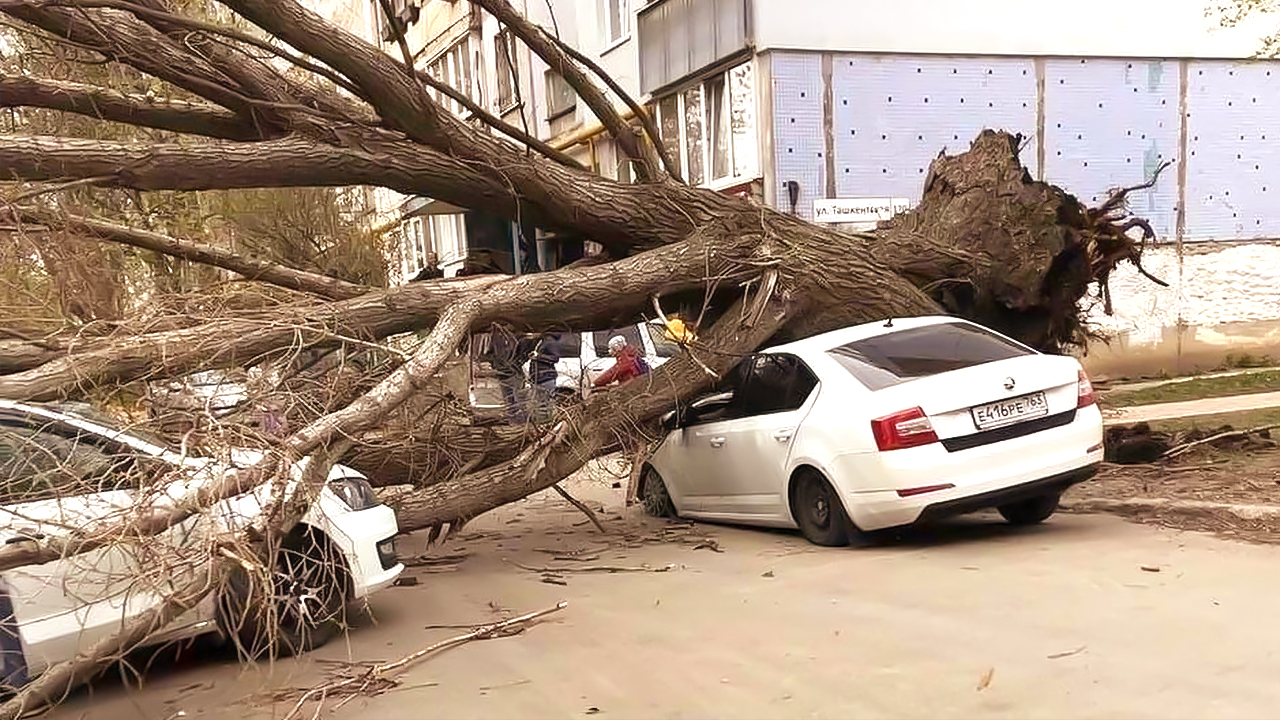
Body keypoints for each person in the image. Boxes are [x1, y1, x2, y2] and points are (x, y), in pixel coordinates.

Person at [528, 332, 562, 423]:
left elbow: (555, 358)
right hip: (539, 378)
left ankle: (545, 426)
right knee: (539, 405)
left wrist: (538, 356)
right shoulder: (542, 341)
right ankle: (542, 426)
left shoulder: (550, 341)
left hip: (545, 377)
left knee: (545, 406)